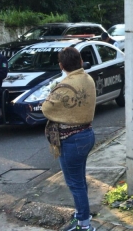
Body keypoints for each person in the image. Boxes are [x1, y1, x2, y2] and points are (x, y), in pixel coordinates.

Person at [42, 47, 97, 231]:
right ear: (80, 61)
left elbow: (47, 109)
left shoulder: (64, 86)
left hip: (72, 139)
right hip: (87, 135)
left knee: (75, 183)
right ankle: (82, 214)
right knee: (79, 180)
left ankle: (84, 224)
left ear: (61, 65)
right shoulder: (87, 79)